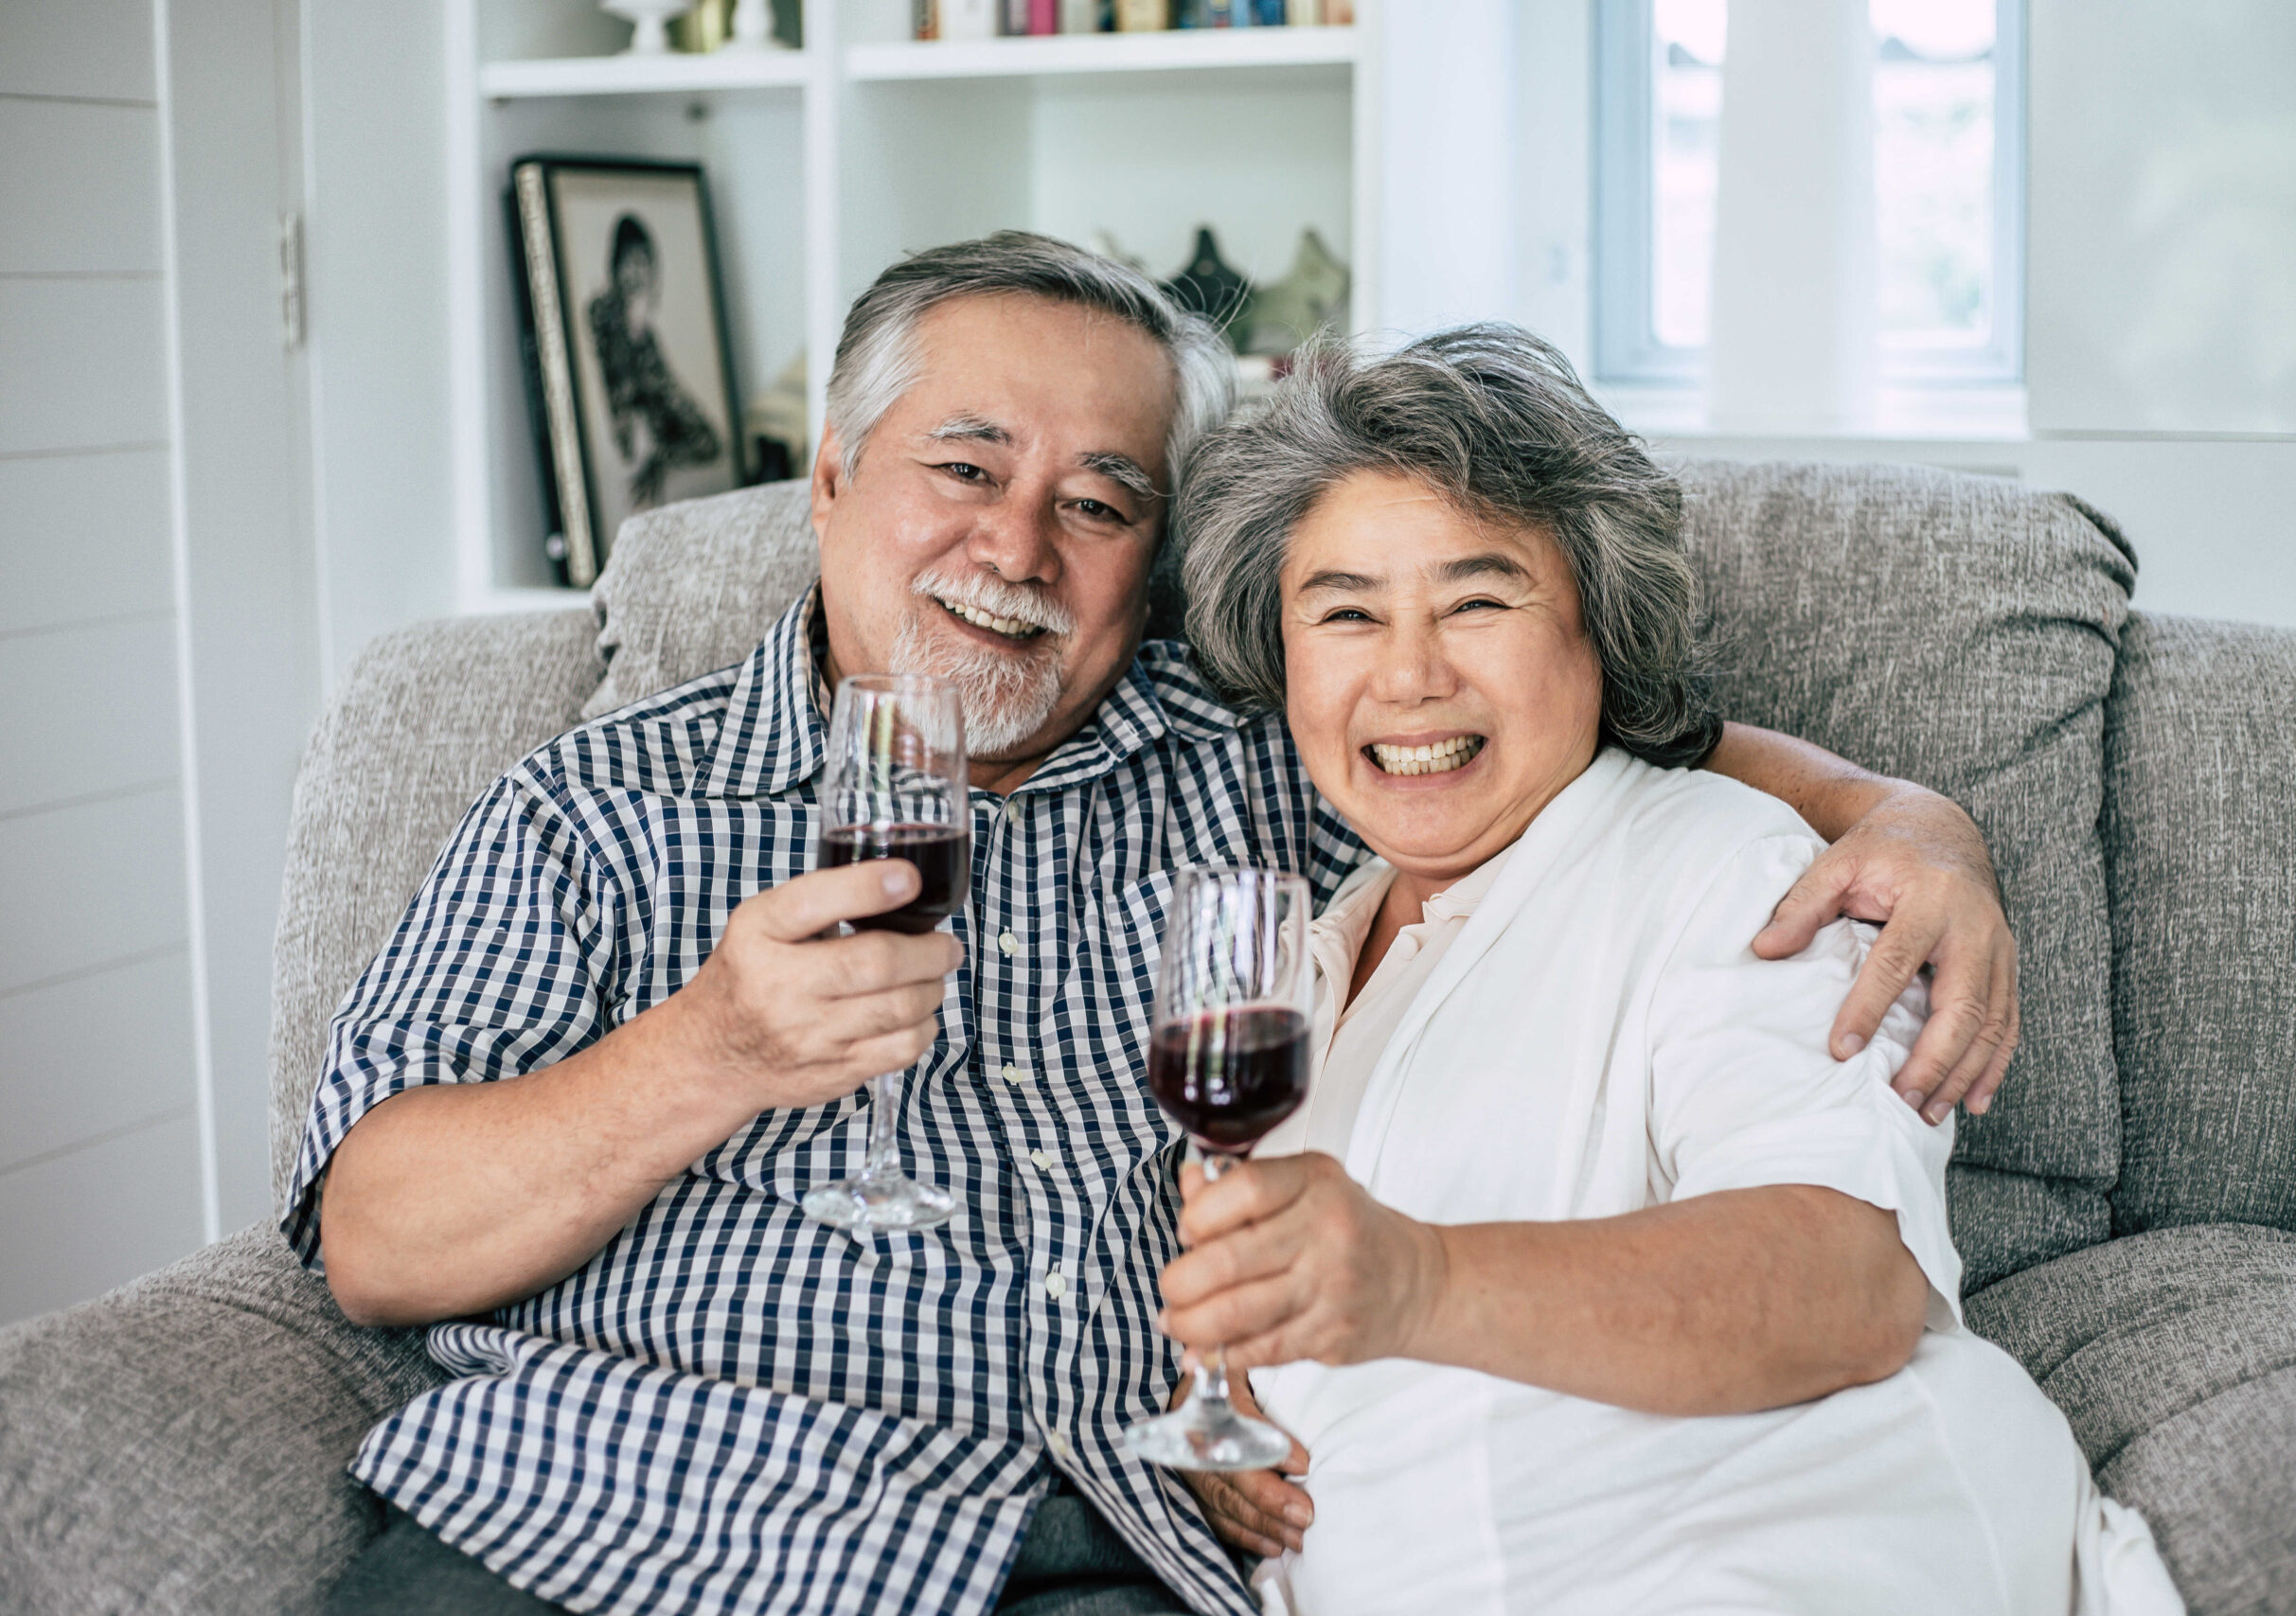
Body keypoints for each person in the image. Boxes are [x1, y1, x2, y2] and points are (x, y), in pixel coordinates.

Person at [294, 234, 2021, 1616]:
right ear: (826, 478)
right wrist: (710, 1051)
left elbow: (1584, 740)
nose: (1019, 544)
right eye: (964, 464)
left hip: (1077, 1535)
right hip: (604, 1508)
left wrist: (1910, 822)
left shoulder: (1273, 752)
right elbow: (374, 1237)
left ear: (1160, 553)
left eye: (1101, 500)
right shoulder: (597, 809)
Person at [1152, 326, 2182, 1615]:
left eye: (1478, 600)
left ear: (1597, 631)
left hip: (1766, 1553)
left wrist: (1419, 1278)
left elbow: (1845, 1282)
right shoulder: (1307, 952)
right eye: (1346, 610)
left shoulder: (1729, 869)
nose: (1407, 675)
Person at [589, 212, 724, 506]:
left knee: (707, 441)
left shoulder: (646, 338)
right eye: (630, 262)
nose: (638, 273)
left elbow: (671, 396)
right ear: (616, 265)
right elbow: (620, 401)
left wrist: (662, 456)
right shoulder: (600, 316)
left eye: (644, 263)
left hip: (659, 435)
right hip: (630, 444)